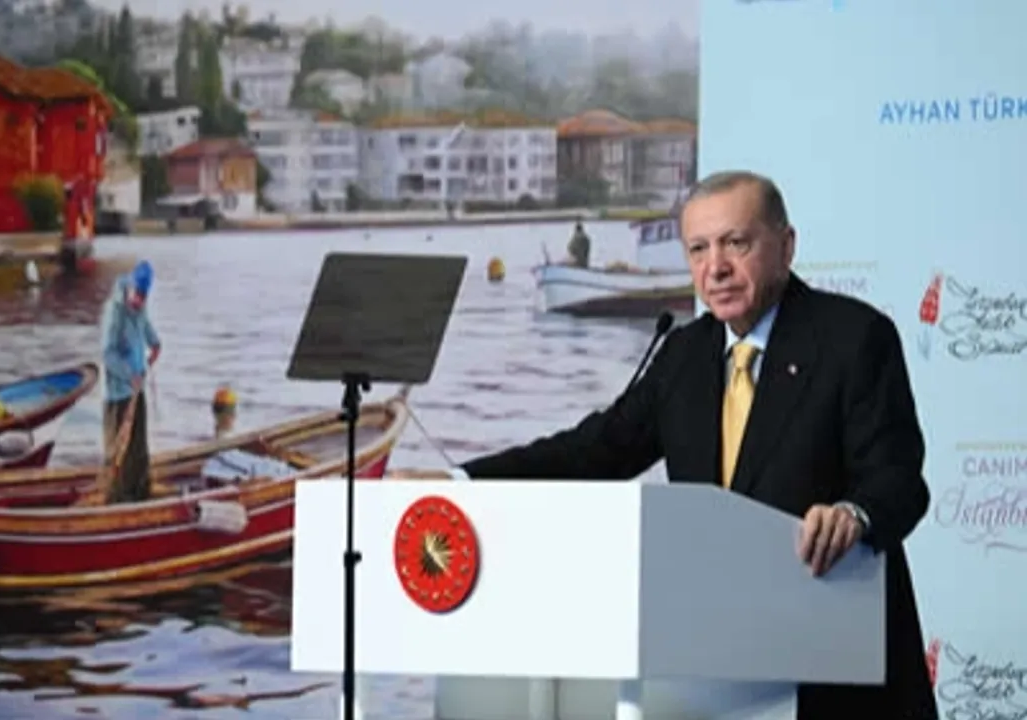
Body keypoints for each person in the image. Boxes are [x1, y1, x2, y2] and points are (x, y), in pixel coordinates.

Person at [397, 171, 935, 719]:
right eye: (698, 249)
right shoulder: (684, 354)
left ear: (786, 246)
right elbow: (594, 451)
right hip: (718, 673)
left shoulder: (853, 338)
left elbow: (898, 481)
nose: (715, 267)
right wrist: (462, 483)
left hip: (838, 672)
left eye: (735, 243)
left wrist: (853, 514)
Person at [100, 260, 162, 503]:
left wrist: (155, 343)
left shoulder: (140, 307)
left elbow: (144, 325)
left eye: (144, 297)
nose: (139, 301)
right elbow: (108, 354)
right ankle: (118, 498)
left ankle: (141, 493)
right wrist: (129, 375)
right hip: (118, 394)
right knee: (120, 452)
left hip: (137, 390)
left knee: (139, 447)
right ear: (130, 288)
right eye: (137, 295)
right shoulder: (115, 313)